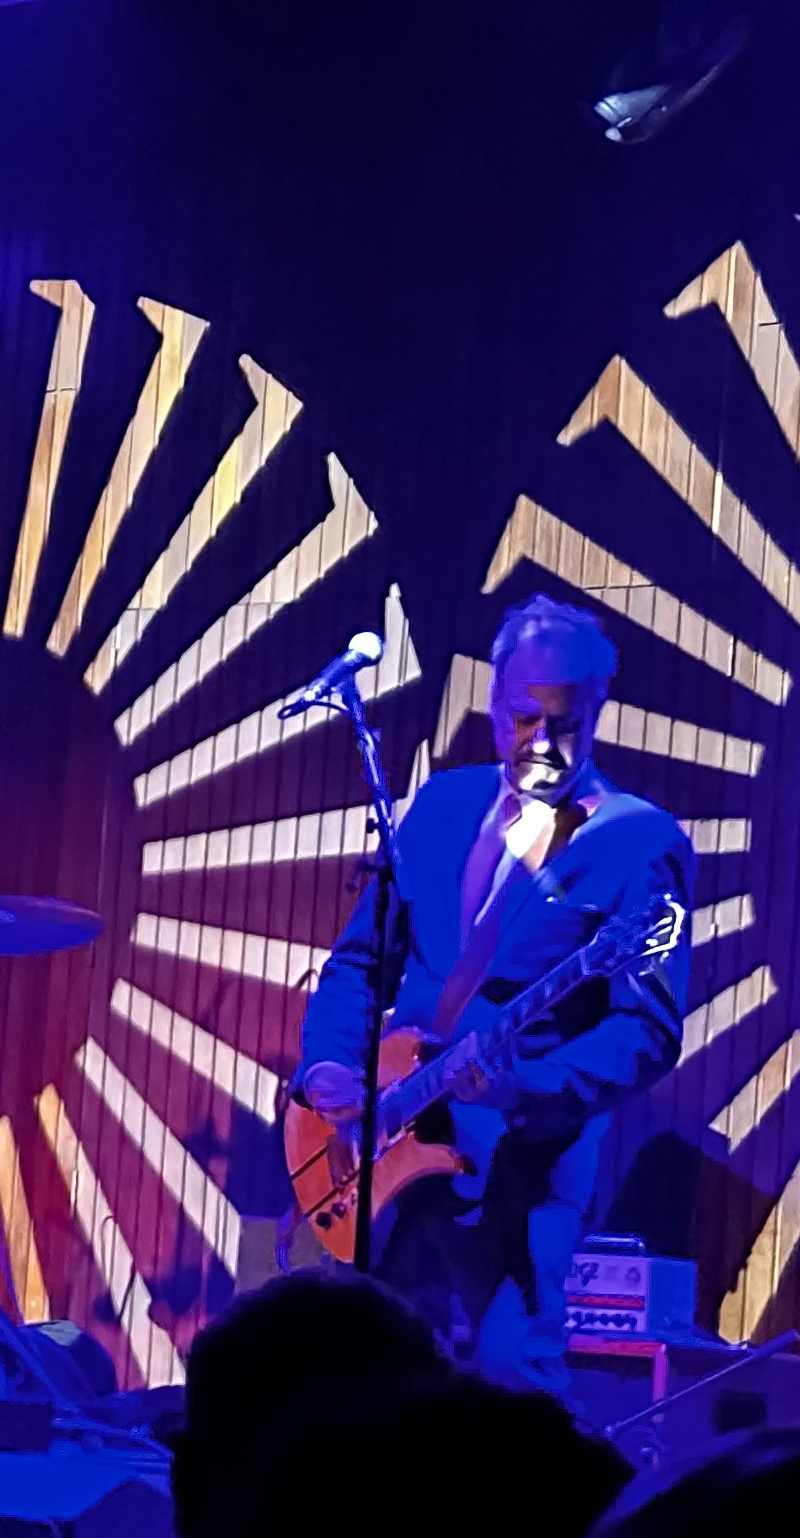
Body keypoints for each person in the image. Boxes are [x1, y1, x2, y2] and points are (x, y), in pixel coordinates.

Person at [294, 594, 693, 1393]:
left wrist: (522, 1084)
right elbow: (360, 961)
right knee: (357, 1382)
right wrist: (330, 1067)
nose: (541, 742)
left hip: (521, 1169)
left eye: (565, 722)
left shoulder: (639, 842)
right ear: (491, 698)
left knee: (511, 1384)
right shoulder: (441, 806)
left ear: (598, 711)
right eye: (523, 717)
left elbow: (646, 1033)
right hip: (390, 1145)